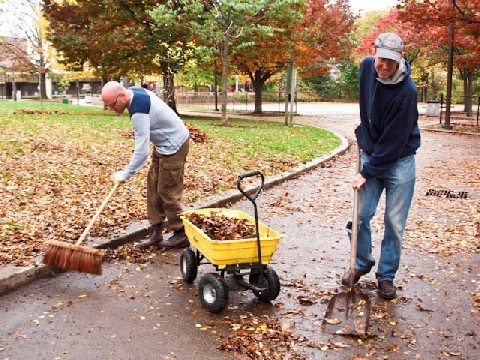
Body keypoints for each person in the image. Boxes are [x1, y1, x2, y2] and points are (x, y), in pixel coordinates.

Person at [342, 33, 421, 300]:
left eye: (391, 61)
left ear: (399, 60)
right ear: (373, 53)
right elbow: (368, 107)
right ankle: (361, 263)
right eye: (381, 59)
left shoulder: (407, 92)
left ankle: (386, 276)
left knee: (394, 223)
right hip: (373, 153)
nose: (384, 67)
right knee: (359, 218)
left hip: (400, 161)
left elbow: (393, 142)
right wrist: (364, 132)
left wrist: (366, 172)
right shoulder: (367, 67)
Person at [101, 81, 190, 250]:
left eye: (112, 104)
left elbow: (142, 152)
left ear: (121, 96)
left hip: (175, 145)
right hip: (162, 145)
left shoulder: (138, 111)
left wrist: (126, 174)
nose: (111, 109)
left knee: (167, 191)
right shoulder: (134, 92)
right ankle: (156, 231)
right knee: (153, 187)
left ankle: (181, 233)